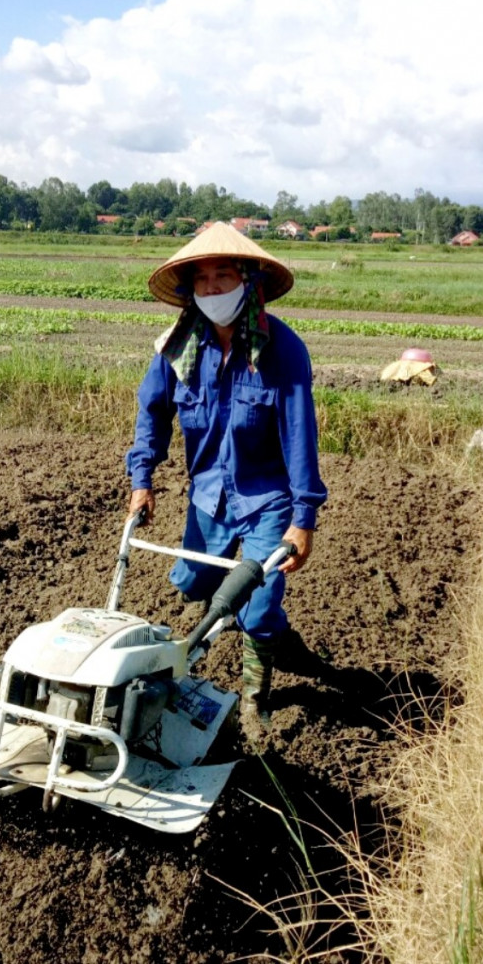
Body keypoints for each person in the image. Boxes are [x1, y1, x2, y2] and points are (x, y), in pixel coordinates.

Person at [125, 221, 327, 741]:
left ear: (247, 280)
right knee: (194, 584)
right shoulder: (177, 348)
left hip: (268, 499)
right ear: (191, 288)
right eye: (203, 279)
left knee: (256, 602)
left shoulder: (281, 349)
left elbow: (301, 437)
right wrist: (142, 477)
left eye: (223, 276)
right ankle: (284, 639)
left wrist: (304, 520)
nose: (213, 288)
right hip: (209, 496)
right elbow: (152, 413)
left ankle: (255, 703)